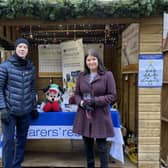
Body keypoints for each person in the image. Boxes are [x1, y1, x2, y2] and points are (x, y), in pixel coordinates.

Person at [73, 48, 117, 168]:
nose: (91, 62)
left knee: (102, 146)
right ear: (85, 62)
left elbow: (112, 96)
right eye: (88, 60)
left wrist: (95, 101)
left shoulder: (107, 75)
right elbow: (77, 94)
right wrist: (81, 102)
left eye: (93, 59)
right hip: (85, 115)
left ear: (98, 60)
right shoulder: (82, 75)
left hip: (100, 114)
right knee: (87, 145)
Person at [0, 38, 38, 168]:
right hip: (9, 112)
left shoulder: (30, 67)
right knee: (8, 142)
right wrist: (2, 108)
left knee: (21, 141)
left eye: (25, 47)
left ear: (27, 50)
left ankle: (17, 165)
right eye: (20, 46)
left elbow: (32, 89)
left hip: (25, 111)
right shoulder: (5, 66)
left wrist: (33, 106)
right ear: (16, 48)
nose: (22, 49)